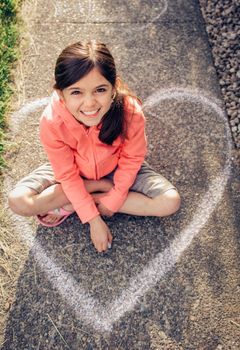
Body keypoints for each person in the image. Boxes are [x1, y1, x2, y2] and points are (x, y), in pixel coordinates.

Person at [8, 40, 181, 253]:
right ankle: (94, 189)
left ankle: (76, 204)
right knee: (18, 201)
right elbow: (68, 176)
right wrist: (93, 219)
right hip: (73, 173)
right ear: (61, 94)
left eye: (100, 90)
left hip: (118, 169)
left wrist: (114, 198)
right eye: (76, 92)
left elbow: (132, 158)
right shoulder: (52, 121)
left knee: (170, 202)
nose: (89, 104)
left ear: (113, 87)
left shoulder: (130, 112)